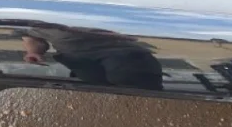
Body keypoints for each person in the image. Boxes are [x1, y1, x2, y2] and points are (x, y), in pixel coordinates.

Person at [18, 22, 163, 90]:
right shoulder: (34, 16)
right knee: (89, 87)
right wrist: (34, 51)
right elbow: (31, 37)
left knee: (125, 78)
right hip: (77, 59)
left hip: (122, 54)